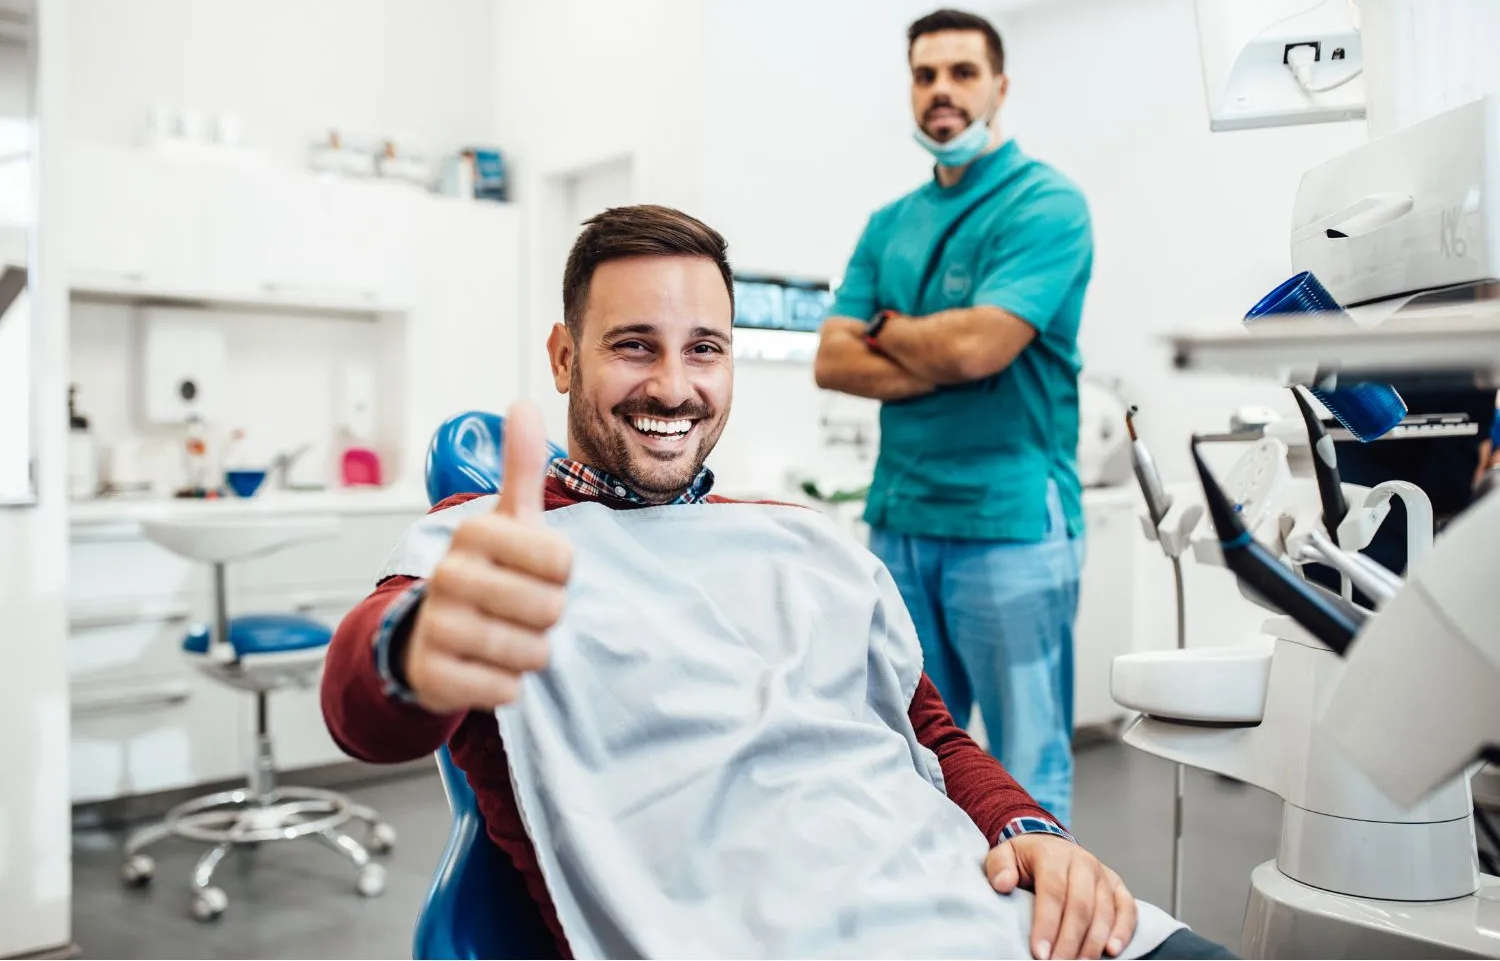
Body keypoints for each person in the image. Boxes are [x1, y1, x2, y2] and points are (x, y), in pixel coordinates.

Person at [322, 205, 1230, 960]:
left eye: (704, 349)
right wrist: (418, 646)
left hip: (997, 917)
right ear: (565, 358)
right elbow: (363, 707)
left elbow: (930, 734)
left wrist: (1030, 831)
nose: (674, 388)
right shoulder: (489, 551)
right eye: (634, 346)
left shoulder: (804, 545)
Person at [814, 9, 1091, 825]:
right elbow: (832, 360)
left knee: (1024, 762)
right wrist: (942, 354)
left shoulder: (1047, 205)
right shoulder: (887, 223)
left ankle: (1043, 941)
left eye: (962, 73)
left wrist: (892, 333)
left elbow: (981, 350)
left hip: (1011, 524)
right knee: (907, 752)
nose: (942, 91)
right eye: (925, 74)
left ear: (999, 87)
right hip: (900, 518)